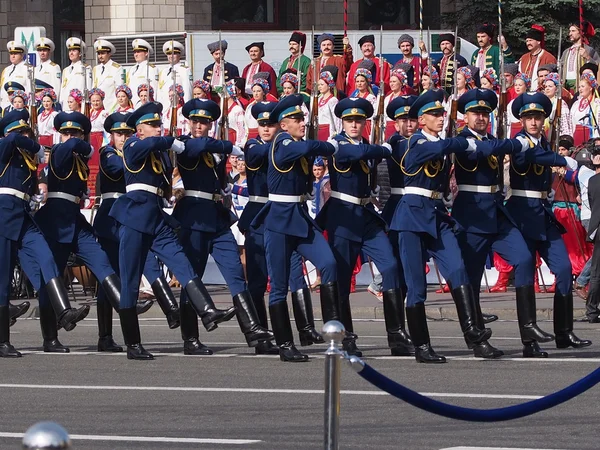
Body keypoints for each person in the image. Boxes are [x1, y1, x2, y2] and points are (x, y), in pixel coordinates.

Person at [109, 102, 236, 360]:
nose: (158, 128)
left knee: (183, 264)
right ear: (140, 130)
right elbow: (151, 145)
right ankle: (133, 344)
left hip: (156, 218)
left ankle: (207, 310)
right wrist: (171, 141)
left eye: (159, 124)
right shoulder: (133, 145)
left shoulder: (161, 153)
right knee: (131, 281)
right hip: (134, 217)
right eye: (153, 125)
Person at [390, 89, 495, 363]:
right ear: (422, 119)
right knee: (416, 286)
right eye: (434, 115)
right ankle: (422, 347)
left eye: (441, 114)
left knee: (458, 270)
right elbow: (436, 149)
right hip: (411, 217)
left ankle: (474, 334)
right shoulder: (413, 142)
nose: (440, 118)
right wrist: (464, 143)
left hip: (436, 215)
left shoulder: (441, 143)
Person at [453, 88, 547, 358]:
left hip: (496, 213)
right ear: (466, 117)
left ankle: (529, 331)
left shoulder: (493, 139)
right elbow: (483, 152)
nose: (481, 117)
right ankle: (478, 339)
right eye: (475, 113)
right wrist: (515, 143)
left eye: (485, 113)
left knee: (524, 258)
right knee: (470, 281)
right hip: (471, 216)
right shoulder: (462, 141)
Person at [317, 97, 413, 357]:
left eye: (359, 120)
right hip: (343, 216)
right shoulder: (337, 144)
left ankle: (396, 334)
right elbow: (356, 154)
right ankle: (345, 336)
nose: (354, 124)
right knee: (343, 279)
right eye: (350, 120)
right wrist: (382, 149)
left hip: (366, 215)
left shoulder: (370, 145)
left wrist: (380, 147)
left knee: (391, 266)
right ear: (342, 122)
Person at [174, 98, 272, 352]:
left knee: (236, 273)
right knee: (192, 278)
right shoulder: (185, 144)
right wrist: (232, 147)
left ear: (210, 123)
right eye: (195, 121)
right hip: (194, 218)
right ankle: (190, 339)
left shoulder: (217, 152)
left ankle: (253, 332)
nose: (198, 125)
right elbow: (200, 147)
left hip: (217, 217)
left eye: (204, 122)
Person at [250, 94, 340, 362]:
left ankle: (334, 328)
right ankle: (285, 344)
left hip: (299, 218)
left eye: (303, 118)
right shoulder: (282, 142)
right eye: (297, 119)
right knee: (278, 286)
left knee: (329, 263)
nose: (302, 122)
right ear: (284, 124)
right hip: (278, 221)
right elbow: (301, 151)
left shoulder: (296, 141)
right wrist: (329, 145)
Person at [34, 111, 128, 352]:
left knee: (102, 262)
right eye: (65, 132)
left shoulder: (78, 157)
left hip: (75, 221)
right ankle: (50, 338)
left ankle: (125, 305)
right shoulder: (59, 151)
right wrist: (84, 141)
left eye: (74, 132)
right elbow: (75, 147)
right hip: (56, 222)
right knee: (51, 279)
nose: (69, 136)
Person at [506, 91, 591, 355]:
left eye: (538, 117)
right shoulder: (520, 142)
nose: (533, 122)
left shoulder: (543, 141)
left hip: (542, 213)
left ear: (544, 120)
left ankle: (563, 332)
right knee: (525, 271)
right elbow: (534, 158)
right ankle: (528, 340)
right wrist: (561, 159)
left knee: (564, 269)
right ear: (521, 120)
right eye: (528, 117)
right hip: (521, 213)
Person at [0, 110, 89, 357]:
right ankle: (2, 340)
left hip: (23, 216)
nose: (24, 136)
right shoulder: (5, 147)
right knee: (3, 278)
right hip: (3, 215)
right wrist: (35, 145)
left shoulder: (26, 160)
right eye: (21, 132)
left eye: (27, 131)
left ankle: (63, 311)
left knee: (46, 256)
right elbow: (11, 140)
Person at [239, 101, 323, 355]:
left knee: (295, 275)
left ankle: (306, 327)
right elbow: (259, 155)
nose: (266, 129)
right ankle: (261, 334)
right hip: (260, 216)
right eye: (262, 124)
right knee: (258, 279)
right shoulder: (255, 145)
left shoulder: (289, 145)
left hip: (287, 216)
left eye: (271, 124)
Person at [94, 112, 180, 352]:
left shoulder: (139, 152)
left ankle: (170, 309)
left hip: (136, 214)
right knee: (113, 273)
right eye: (119, 133)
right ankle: (106, 335)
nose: (123, 137)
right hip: (113, 215)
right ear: (111, 135)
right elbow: (119, 168)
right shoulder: (108, 153)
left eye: (127, 133)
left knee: (146, 261)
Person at [582, 153, 600, 320]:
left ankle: (592, 310)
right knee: (596, 272)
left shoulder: (592, 180)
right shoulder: (593, 180)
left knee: (596, 271)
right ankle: (592, 309)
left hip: (597, 226)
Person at [560, 21, 600, 93]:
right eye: (570, 31)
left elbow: (597, 66)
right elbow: (561, 68)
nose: (570, 34)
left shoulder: (589, 50)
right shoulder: (566, 51)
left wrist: (587, 57)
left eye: (573, 31)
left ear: (581, 32)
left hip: (581, 83)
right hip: (566, 84)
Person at [518, 25, 556, 92]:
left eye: (530, 40)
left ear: (538, 42)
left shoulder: (549, 58)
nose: (528, 43)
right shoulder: (523, 58)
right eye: (527, 41)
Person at [158, 40, 192, 114]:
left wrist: (186, 110)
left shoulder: (184, 70)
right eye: (169, 54)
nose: (171, 56)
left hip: (178, 109)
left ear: (179, 55)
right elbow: (160, 91)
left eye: (174, 54)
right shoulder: (164, 71)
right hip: (164, 110)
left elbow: (187, 91)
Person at [59, 38, 92, 112]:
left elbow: (88, 88)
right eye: (70, 51)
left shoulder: (86, 68)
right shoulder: (66, 70)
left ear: (80, 53)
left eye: (74, 51)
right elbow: (63, 89)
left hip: (79, 105)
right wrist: (61, 103)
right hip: (67, 105)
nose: (71, 53)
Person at [126, 39, 158, 108]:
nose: (136, 54)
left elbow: (154, 91)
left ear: (146, 53)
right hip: (132, 106)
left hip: (144, 105)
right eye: (135, 52)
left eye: (138, 52)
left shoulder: (151, 68)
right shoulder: (132, 70)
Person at [92, 39, 122, 113]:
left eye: (103, 53)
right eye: (99, 54)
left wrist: (114, 109)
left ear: (109, 54)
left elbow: (119, 90)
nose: (100, 56)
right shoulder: (96, 69)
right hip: (98, 108)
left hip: (111, 107)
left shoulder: (117, 68)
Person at [0, 41, 30, 110]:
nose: (13, 56)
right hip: (5, 107)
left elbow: (30, 91)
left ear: (22, 55)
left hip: (19, 108)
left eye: (16, 54)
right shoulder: (6, 70)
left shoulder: (28, 69)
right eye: (11, 54)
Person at [570, 73, 600, 137]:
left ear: (590, 88)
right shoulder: (576, 104)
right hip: (577, 136)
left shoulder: (597, 104)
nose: (580, 89)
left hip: (592, 137)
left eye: (583, 86)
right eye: (579, 87)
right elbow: (571, 123)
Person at [316, 67, 342, 137]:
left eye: (322, 85)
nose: (319, 87)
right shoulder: (318, 99)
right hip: (318, 130)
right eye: (318, 85)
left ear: (329, 85)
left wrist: (337, 134)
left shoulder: (333, 100)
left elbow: (337, 119)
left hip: (329, 131)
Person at [88, 88, 109, 154]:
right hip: (90, 140)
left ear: (102, 101)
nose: (95, 103)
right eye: (93, 101)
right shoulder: (90, 112)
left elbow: (107, 130)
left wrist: (106, 144)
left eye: (97, 101)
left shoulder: (104, 113)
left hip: (99, 140)